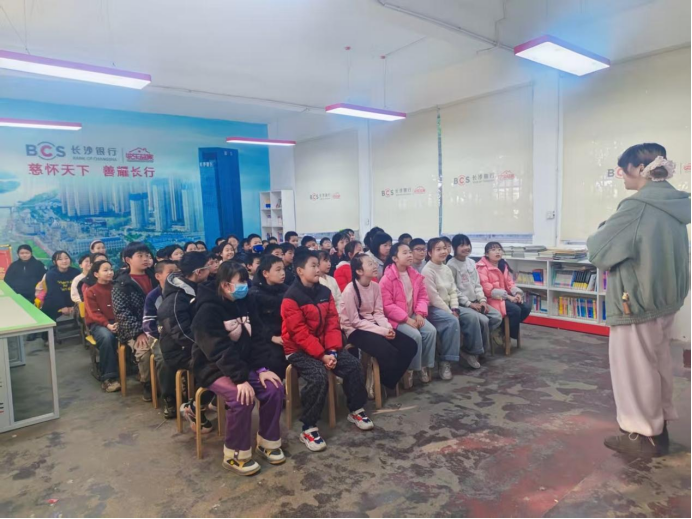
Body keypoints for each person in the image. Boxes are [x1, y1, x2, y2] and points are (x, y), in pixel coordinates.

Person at [587, 144, 690, 458]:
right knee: (658, 365)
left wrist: (602, 228)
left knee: (634, 370)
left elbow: (599, 251)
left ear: (638, 168)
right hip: (665, 299)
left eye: (623, 169)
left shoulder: (636, 207)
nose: (621, 175)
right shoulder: (675, 205)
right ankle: (659, 426)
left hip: (635, 301)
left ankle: (642, 435)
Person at [193, 261, 286, 476]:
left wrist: (262, 368)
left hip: (242, 365)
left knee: (274, 388)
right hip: (213, 367)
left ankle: (268, 442)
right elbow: (217, 349)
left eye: (246, 280)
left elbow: (257, 337)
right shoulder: (207, 309)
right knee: (241, 396)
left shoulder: (246, 301)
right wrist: (240, 379)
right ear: (225, 285)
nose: (246, 285)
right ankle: (235, 454)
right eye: (241, 281)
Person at [282, 251, 374, 453]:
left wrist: (331, 350)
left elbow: (332, 323)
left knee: (353, 365)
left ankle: (356, 409)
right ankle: (308, 427)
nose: (318, 269)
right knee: (318, 375)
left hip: (325, 346)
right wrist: (322, 356)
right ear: (300, 271)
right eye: (313, 266)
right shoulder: (291, 298)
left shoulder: (324, 291)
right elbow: (299, 334)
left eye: (318, 265)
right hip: (298, 349)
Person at [341, 253, 417, 399]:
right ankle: (378, 381)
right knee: (388, 351)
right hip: (355, 330)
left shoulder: (375, 286)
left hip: (374, 325)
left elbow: (378, 312)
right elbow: (355, 321)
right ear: (359, 271)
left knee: (410, 345)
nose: (375, 266)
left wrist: (387, 328)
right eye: (370, 264)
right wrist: (382, 331)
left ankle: (383, 380)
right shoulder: (350, 290)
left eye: (374, 263)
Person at [158, 252, 214, 432]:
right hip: (179, 350)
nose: (212, 269)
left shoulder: (199, 287)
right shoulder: (175, 298)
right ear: (199, 271)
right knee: (218, 365)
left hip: (198, 344)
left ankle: (213, 400)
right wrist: (209, 347)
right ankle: (195, 407)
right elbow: (181, 334)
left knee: (233, 355)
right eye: (208, 266)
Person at [380, 243, 438, 388]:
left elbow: (423, 297)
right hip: (396, 319)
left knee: (431, 331)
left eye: (410, 252)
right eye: (405, 253)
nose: (410, 255)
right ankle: (411, 369)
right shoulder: (387, 279)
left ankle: (425, 366)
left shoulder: (415, 275)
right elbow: (387, 306)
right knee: (415, 335)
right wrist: (406, 319)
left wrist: (419, 314)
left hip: (413, 314)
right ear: (395, 258)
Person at [448, 234, 503, 365]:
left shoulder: (471, 262)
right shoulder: (451, 265)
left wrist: (482, 300)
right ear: (454, 248)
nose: (466, 248)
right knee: (483, 320)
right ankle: (472, 350)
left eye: (468, 244)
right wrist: (469, 304)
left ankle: (479, 344)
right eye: (462, 245)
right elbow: (454, 289)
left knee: (496, 316)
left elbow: (477, 285)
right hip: (461, 304)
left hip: (476, 301)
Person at [112, 242, 157, 402]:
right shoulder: (121, 284)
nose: (145, 259)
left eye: (147, 255)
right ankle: (148, 383)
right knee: (144, 351)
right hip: (134, 330)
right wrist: (138, 332)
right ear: (128, 260)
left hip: (157, 326)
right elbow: (121, 312)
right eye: (140, 256)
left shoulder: (155, 277)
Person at [142, 260, 180, 419]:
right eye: (170, 273)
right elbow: (148, 324)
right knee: (165, 359)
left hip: (181, 335)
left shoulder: (183, 292)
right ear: (158, 276)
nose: (175, 275)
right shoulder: (153, 296)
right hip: (160, 337)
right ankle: (169, 398)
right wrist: (164, 335)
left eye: (177, 272)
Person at [421, 238, 462, 380]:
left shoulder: (446, 268)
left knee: (468, 318)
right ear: (430, 253)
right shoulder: (427, 271)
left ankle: (469, 352)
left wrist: (455, 308)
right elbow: (434, 298)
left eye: (444, 248)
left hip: (449, 306)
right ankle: (445, 361)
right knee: (452, 321)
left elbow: (453, 291)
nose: (443, 251)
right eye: (438, 249)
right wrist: (450, 312)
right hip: (433, 308)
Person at [477, 242, 531, 343]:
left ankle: (504, 332)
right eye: (493, 250)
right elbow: (488, 291)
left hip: (504, 297)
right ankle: (505, 333)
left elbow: (510, 283)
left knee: (526, 307)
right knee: (515, 310)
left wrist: (517, 293)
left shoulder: (502, 265)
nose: (497, 252)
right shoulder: (482, 267)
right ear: (487, 254)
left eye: (499, 249)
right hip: (491, 299)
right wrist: (509, 297)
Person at [248, 256, 289, 379]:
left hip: (286, 335)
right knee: (275, 360)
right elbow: (255, 322)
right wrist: (271, 337)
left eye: (283, 269)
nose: (282, 273)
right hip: (266, 338)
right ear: (265, 273)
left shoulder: (287, 290)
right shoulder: (254, 294)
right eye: (278, 270)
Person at [84, 260, 121, 393]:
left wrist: (119, 321)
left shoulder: (117, 287)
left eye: (111, 269)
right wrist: (107, 324)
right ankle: (108, 378)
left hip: (117, 321)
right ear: (96, 274)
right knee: (107, 337)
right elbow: (93, 313)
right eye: (105, 270)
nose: (110, 272)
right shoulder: (91, 291)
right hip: (98, 324)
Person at [42, 251, 80, 320]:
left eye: (66, 258)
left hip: (72, 302)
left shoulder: (76, 272)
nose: (64, 261)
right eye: (60, 259)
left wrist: (75, 305)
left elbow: (78, 290)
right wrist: (62, 306)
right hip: (54, 302)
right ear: (54, 262)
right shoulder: (51, 274)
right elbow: (54, 292)